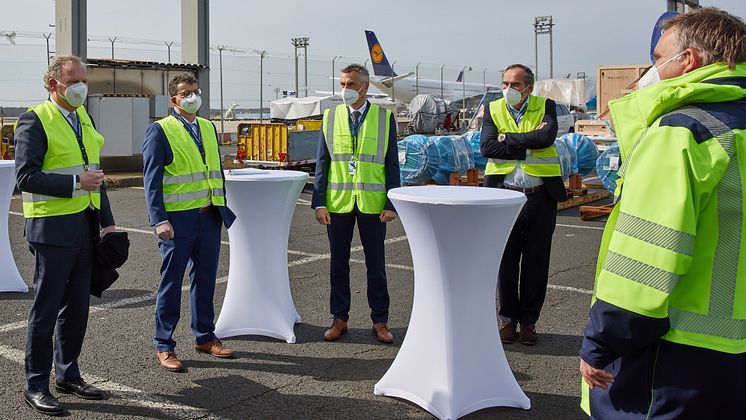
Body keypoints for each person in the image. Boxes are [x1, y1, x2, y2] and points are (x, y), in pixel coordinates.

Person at [579, 8, 746, 418]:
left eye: (657, 58)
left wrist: (602, 342)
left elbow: (646, 258)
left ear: (687, 60)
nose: (651, 69)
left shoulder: (683, 131)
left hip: (675, 352)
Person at [15, 55, 116, 415]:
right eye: (74, 80)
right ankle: (36, 384)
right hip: (51, 229)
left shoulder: (81, 117)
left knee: (77, 307)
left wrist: (107, 220)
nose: (81, 87)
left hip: (84, 226)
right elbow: (25, 176)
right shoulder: (34, 120)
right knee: (46, 309)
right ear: (53, 83)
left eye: (84, 80)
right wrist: (75, 184)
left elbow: (94, 172)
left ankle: (68, 373)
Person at [143, 73, 237, 372]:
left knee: (205, 280)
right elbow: (152, 181)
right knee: (171, 284)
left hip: (209, 217)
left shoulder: (208, 127)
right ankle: (164, 345)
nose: (193, 96)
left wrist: (221, 208)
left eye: (196, 91)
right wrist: (159, 219)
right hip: (177, 221)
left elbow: (215, 172)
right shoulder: (160, 131)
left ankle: (205, 336)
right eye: (186, 93)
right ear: (174, 99)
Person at [312, 64, 400, 343]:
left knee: (376, 265)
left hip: (373, 204)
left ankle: (380, 320)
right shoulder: (330, 117)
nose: (345, 90)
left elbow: (391, 163)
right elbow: (322, 162)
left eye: (350, 84)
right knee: (338, 264)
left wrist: (391, 202)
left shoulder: (384, 118)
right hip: (338, 203)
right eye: (342, 84)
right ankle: (339, 319)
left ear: (365, 86)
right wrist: (319, 203)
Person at [480, 64, 568, 345]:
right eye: (505, 83)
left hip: (540, 195)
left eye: (515, 85)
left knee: (536, 261)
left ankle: (529, 322)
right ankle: (508, 320)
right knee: (506, 260)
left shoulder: (546, 105)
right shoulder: (493, 108)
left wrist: (508, 139)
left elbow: (547, 137)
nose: (508, 90)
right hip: (505, 194)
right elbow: (487, 147)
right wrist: (528, 146)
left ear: (528, 87)